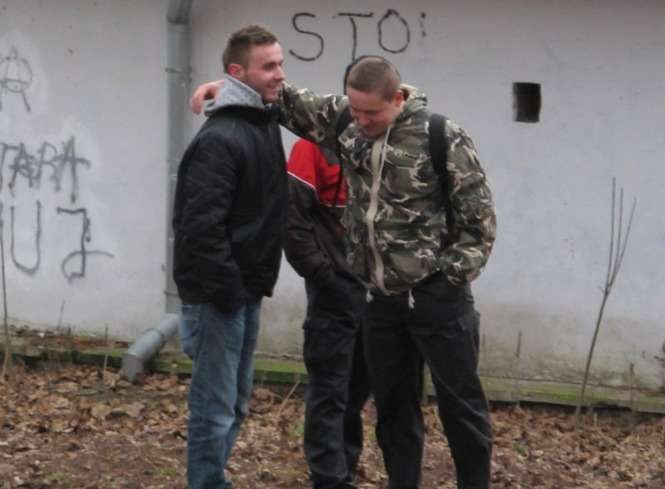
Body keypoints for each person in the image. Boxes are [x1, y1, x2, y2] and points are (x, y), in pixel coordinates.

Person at [191, 55, 496, 489]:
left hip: (437, 300)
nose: (362, 121)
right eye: (355, 110)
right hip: (379, 300)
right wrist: (226, 89)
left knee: (461, 409)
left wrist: (447, 280)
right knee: (393, 411)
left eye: (371, 113)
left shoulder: (440, 136)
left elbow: (479, 224)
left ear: (397, 98)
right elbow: (288, 100)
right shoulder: (345, 122)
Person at [172, 25, 287, 489]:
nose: (280, 74)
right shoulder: (222, 139)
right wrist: (230, 292)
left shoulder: (261, 121)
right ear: (238, 72)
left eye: (280, 63)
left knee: (234, 405)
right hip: (219, 296)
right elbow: (200, 228)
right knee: (215, 409)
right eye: (269, 66)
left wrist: (245, 290)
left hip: (242, 291)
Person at [285, 138, 371, 489]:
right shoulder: (311, 147)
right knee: (329, 390)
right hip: (333, 294)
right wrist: (326, 277)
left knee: (357, 389)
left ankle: (345, 468)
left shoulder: (387, 143)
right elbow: (292, 223)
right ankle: (329, 479)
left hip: (376, 295)